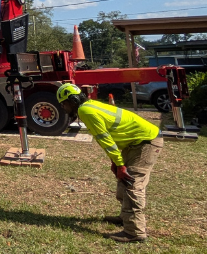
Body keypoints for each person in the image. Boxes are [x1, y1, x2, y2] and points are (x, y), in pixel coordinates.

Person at [56, 82, 163, 243]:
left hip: (145, 143)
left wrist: (120, 164)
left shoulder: (85, 111)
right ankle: (125, 217)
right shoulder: (90, 105)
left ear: (72, 100)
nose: (64, 108)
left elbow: (105, 139)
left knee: (131, 185)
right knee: (123, 182)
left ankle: (134, 231)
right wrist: (116, 161)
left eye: (64, 104)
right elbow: (111, 136)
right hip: (135, 143)